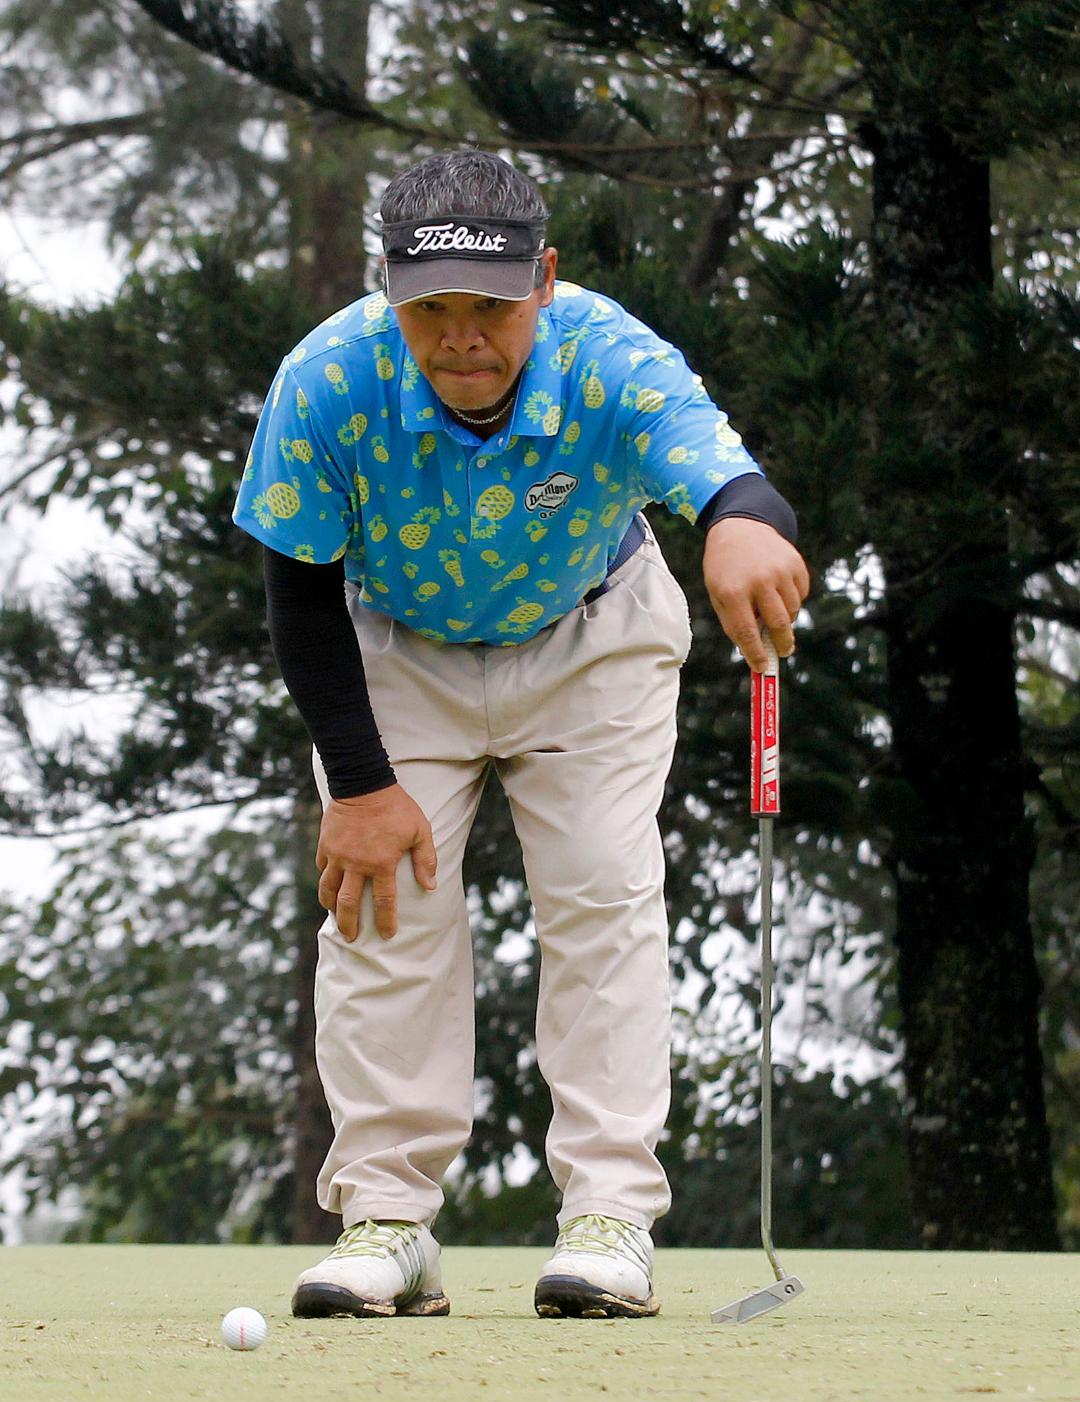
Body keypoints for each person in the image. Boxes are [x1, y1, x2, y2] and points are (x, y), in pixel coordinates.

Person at [233, 149, 809, 1320]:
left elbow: (732, 484)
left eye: (487, 306)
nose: (458, 338)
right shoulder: (328, 379)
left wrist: (742, 530)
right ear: (387, 292)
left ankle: (609, 1215)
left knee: (600, 887)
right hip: (395, 646)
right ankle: (386, 1219)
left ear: (542, 280)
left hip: (588, 636)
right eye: (427, 310)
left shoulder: (613, 357)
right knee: (382, 909)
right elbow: (295, 585)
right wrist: (358, 781)